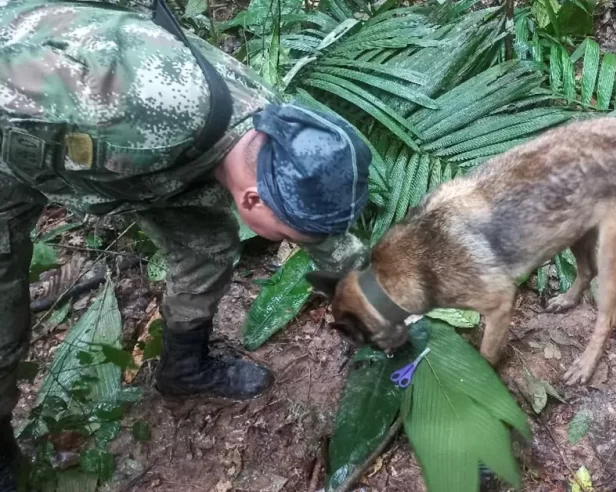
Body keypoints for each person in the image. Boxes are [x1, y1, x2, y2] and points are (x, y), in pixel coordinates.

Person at [0, 1, 372, 489]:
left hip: (147, 172)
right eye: (288, 238)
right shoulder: (135, 103)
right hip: (14, 154)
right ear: (253, 199)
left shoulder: (274, 134)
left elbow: (319, 231)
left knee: (208, 247)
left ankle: (184, 366)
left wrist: (376, 295)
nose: (295, 244)